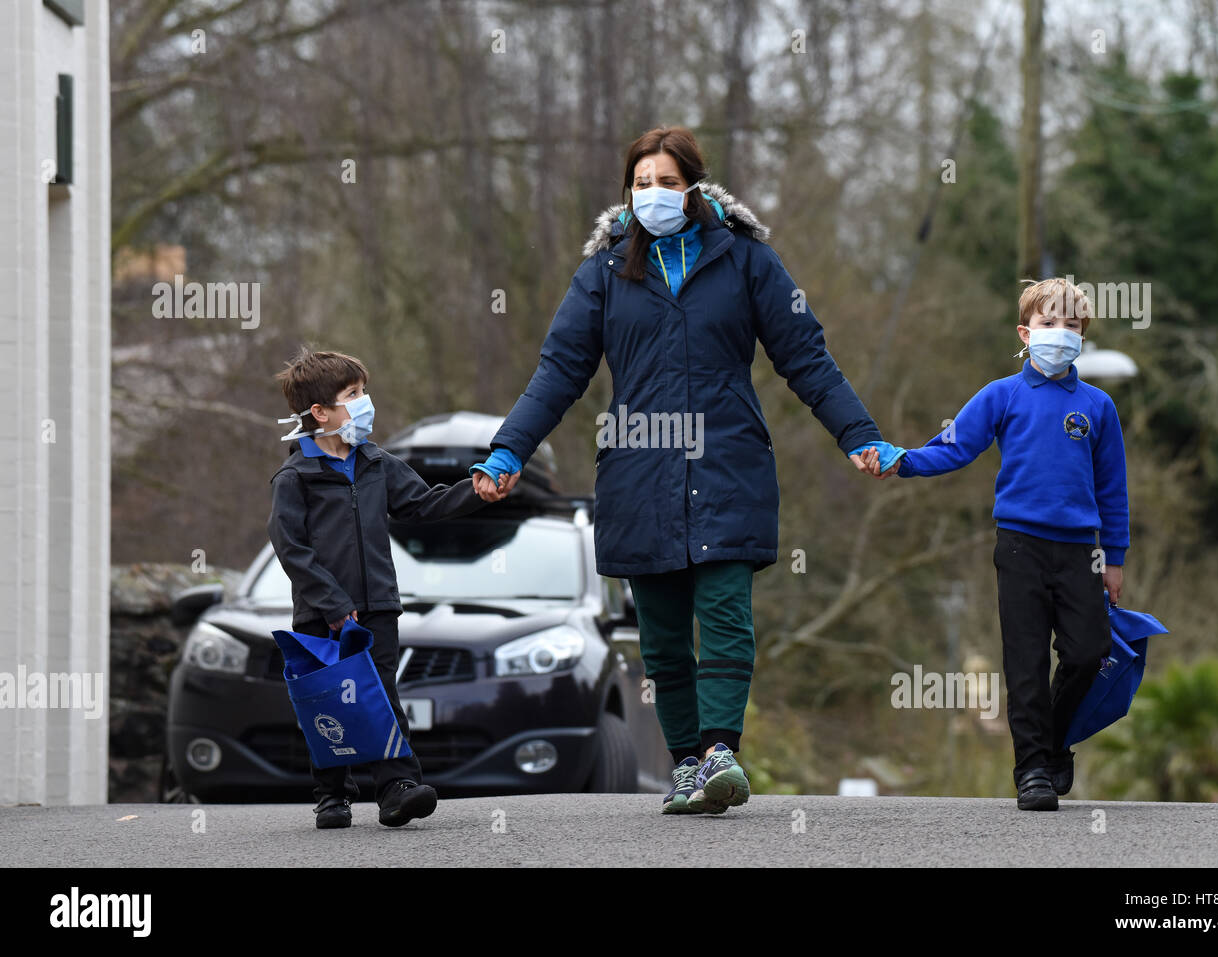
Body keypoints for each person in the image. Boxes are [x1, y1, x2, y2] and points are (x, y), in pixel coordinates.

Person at [469, 126, 896, 814]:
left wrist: (859, 435)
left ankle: (722, 749)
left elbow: (806, 356)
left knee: (725, 608)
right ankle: (688, 764)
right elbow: (559, 372)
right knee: (664, 634)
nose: (654, 195)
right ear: (626, 193)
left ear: (695, 187)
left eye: (668, 183)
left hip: (728, 460)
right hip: (639, 467)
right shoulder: (603, 273)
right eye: (642, 184)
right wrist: (508, 450)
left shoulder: (747, 261)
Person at [865, 278, 1129, 811]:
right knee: (1025, 661)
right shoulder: (1001, 396)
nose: (1060, 334)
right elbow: (955, 447)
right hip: (1019, 547)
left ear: (1083, 336)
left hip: (1081, 552)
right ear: (1025, 333)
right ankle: (1031, 769)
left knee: (1088, 653)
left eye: (1072, 326)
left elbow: (1113, 488)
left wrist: (1115, 558)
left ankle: (1055, 741)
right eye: (1049, 324)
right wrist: (903, 460)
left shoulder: (1098, 407)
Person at [268, 347, 483, 829]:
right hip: (320, 614)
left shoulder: (376, 463)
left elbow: (425, 505)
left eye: (363, 391)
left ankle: (396, 788)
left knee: (381, 694)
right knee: (330, 699)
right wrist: (334, 605)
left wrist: (478, 489)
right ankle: (332, 795)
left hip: (378, 609)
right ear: (319, 412)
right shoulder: (293, 477)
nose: (365, 402)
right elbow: (292, 550)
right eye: (353, 395)